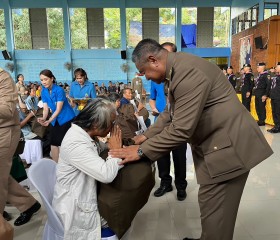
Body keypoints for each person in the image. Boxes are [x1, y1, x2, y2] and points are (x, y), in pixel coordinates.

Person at [109, 39, 273, 240]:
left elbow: (181, 129)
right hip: (217, 146)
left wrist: (141, 151)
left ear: (153, 60)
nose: (148, 78)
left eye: (146, 72)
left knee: (216, 215)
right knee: (210, 208)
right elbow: (170, 114)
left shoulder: (187, 73)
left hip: (229, 150)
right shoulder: (177, 70)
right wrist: (144, 137)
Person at [52, 98, 123, 239]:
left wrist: (117, 148)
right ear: (96, 124)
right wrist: (116, 150)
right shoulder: (76, 143)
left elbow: (102, 149)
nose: (113, 127)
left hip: (82, 192)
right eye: (111, 124)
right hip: (75, 205)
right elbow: (106, 175)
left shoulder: (86, 134)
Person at [0, 68, 41, 227]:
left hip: (4, 131)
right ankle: (29, 204)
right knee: (2, 176)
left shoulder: (2, 76)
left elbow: (8, 110)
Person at [149, 42, 187, 201]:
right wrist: (154, 108)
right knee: (161, 155)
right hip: (160, 122)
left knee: (179, 157)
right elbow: (151, 98)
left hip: (178, 124)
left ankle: (180, 186)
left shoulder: (181, 77)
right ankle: (165, 183)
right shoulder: (155, 78)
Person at [38, 69, 75, 162]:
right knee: (53, 143)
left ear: (52, 78)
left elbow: (58, 109)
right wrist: (43, 118)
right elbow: (45, 108)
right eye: (41, 80)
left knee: (64, 143)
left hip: (66, 118)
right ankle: (56, 166)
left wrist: (49, 120)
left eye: (45, 79)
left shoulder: (59, 90)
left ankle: (66, 165)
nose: (43, 82)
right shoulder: (44, 92)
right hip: (55, 119)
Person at [267, 62, 280, 133]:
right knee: (274, 112)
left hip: (278, 97)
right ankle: (276, 125)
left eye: (277, 67)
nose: (275, 68)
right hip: (273, 96)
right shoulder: (276, 76)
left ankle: (278, 127)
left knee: (278, 112)